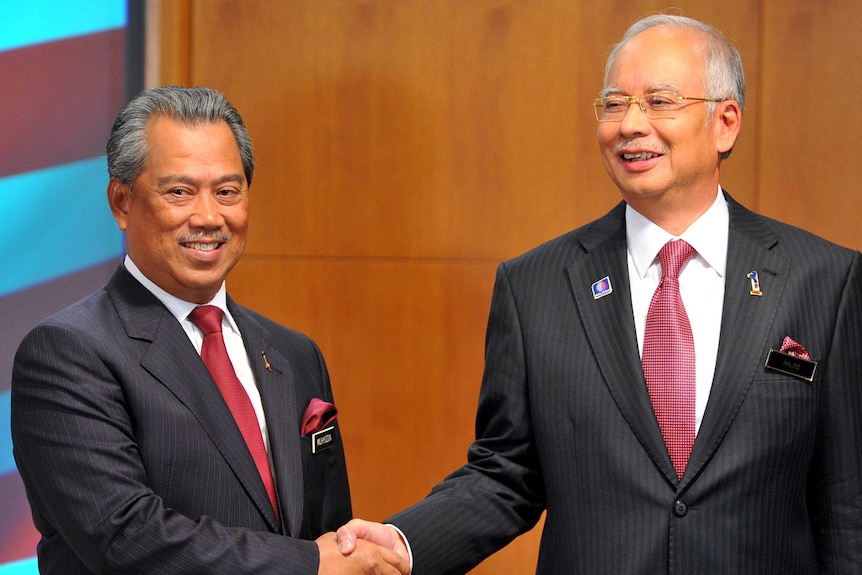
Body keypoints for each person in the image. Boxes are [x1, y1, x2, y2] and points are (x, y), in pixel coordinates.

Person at [336, 14, 862, 574]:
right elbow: (505, 474)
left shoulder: (823, 280)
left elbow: (847, 500)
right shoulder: (536, 286)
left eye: (659, 101)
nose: (630, 125)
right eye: (613, 104)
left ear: (725, 123)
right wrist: (404, 542)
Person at [11, 86, 407, 575]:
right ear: (121, 202)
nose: (208, 217)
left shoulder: (294, 354)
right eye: (179, 192)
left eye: (227, 191)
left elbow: (332, 533)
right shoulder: (67, 352)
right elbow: (126, 538)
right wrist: (307, 565)